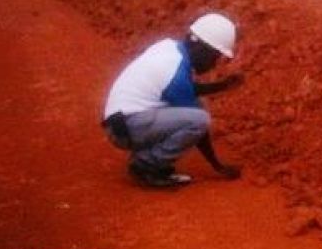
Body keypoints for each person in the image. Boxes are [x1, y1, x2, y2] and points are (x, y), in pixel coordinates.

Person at [101, 13, 244, 188]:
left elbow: (187, 89)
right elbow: (197, 125)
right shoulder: (175, 73)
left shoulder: (169, 48)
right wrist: (216, 165)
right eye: (214, 57)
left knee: (197, 109)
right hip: (126, 129)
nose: (213, 64)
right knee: (200, 119)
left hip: (123, 121)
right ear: (202, 48)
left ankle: (148, 158)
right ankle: (146, 165)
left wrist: (221, 86)